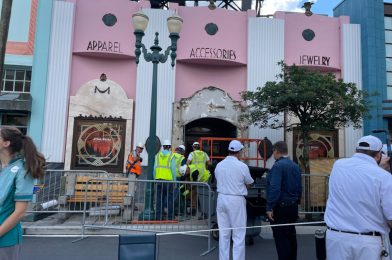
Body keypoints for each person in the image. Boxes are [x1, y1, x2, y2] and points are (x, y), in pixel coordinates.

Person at [324, 135, 392, 260]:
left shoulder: (338, 165)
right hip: (369, 242)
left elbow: (358, 177)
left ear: (356, 150)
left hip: (336, 237)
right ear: (378, 155)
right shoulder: (384, 177)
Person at [0, 126, 46, 259]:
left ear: (6, 143)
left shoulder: (22, 170)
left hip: (5, 240)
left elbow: (19, 212)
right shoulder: (3, 168)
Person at [214, 140, 254, 260]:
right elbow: (249, 183)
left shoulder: (219, 165)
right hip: (236, 200)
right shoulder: (242, 166)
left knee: (224, 234)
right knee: (238, 234)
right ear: (239, 152)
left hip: (221, 198)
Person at [266, 141, 302, 260]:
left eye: (273, 152)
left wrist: (270, 207)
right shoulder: (295, 165)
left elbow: (275, 188)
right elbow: (300, 187)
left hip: (281, 207)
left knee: (281, 241)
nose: (273, 154)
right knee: (291, 237)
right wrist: (297, 202)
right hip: (293, 206)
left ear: (276, 151)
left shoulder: (278, 166)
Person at [154, 139, 176, 221]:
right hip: (169, 181)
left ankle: (159, 217)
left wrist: (154, 178)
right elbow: (173, 170)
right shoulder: (171, 155)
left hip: (159, 180)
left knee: (159, 199)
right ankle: (170, 217)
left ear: (163, 147)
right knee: (170, 199)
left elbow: (154, 168)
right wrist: (175, 182)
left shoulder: (158, 155)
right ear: (169, 147)